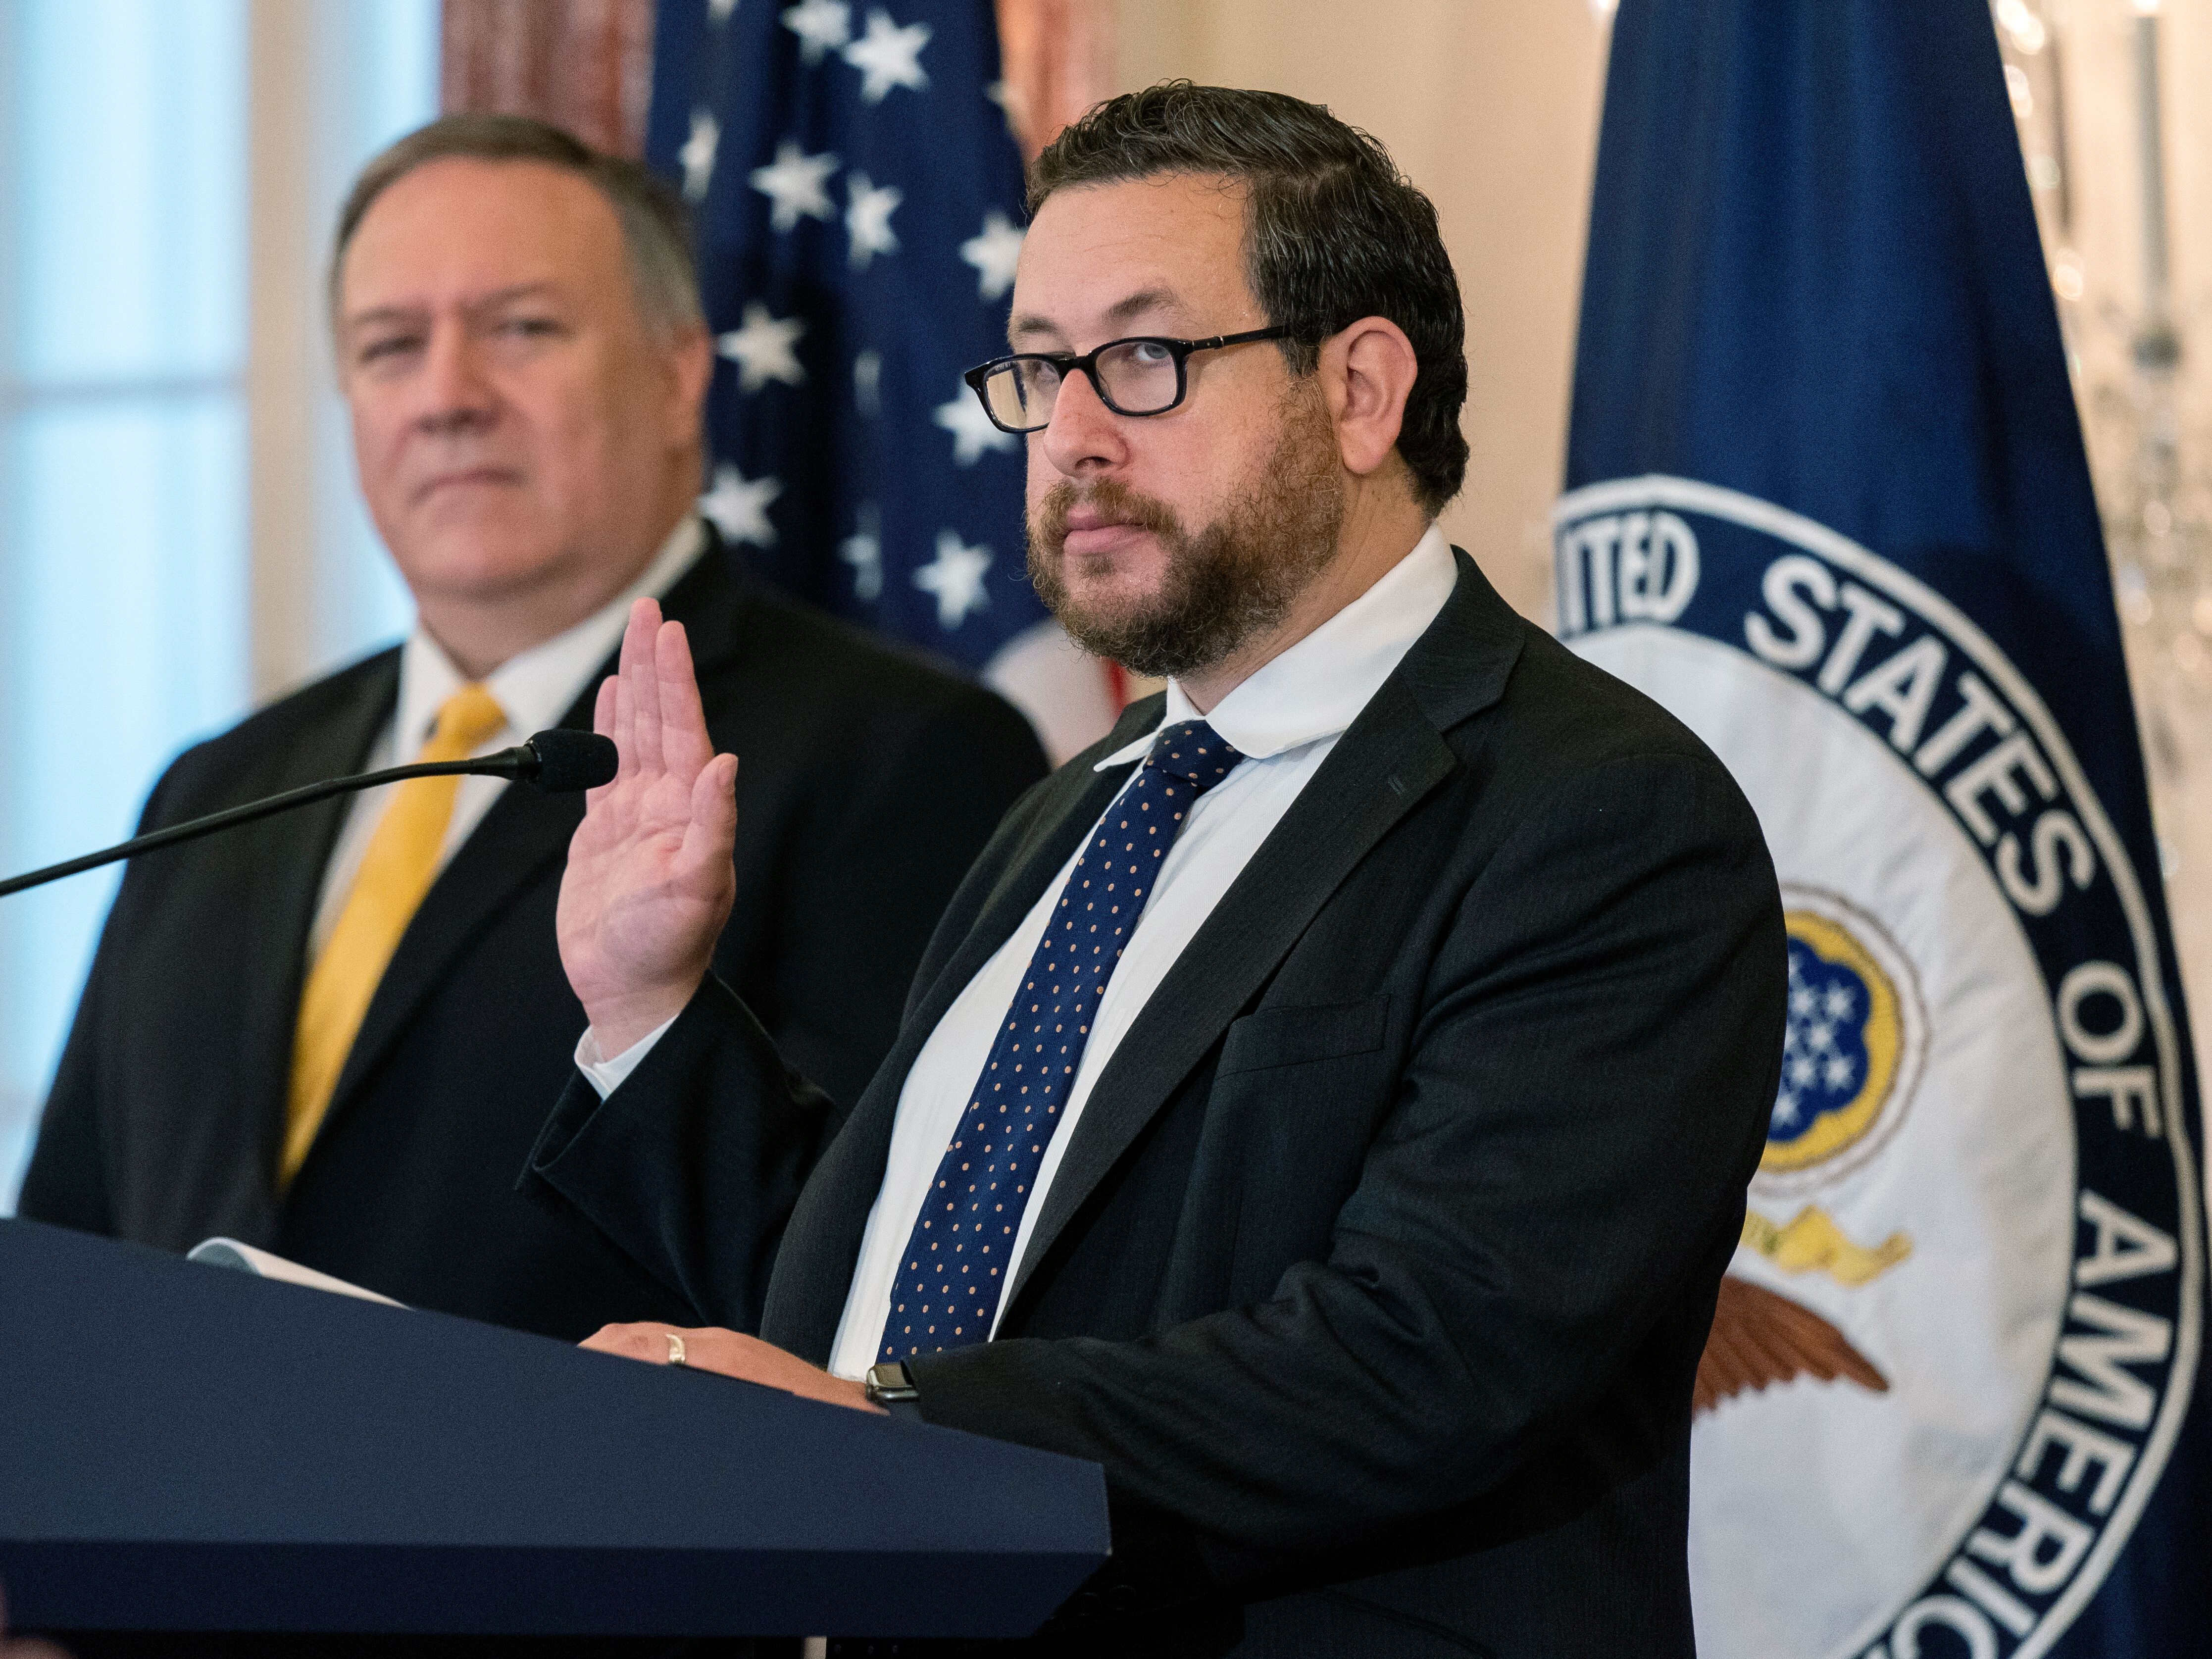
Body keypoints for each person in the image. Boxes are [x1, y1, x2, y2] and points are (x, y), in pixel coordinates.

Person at [525, 85, 1785, 1656]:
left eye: (1141, 358)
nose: (1071, 434)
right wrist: (650, 1014)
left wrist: (894, 1444)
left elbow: (1424, 1361)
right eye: (1039, 370)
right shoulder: (1084, 805)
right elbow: (864, 1309)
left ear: (1360, 390)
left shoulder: (1596, 818)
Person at [16, 115, 1047, 1343]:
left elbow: (875, 1264)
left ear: (677, 375)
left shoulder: (903, 751)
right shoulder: (219, 783)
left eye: (521, 330)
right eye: (390, 346)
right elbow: (65, 1262)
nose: (448, 398)